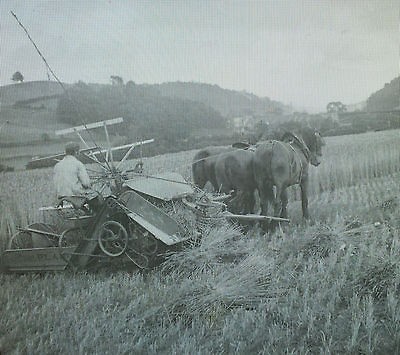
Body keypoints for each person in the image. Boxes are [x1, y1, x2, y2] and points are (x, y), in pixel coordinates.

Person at [53, 142, 100, 212]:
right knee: (98, 198)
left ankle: (87, 214)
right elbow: (86, 183)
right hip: (75, 195)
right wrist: (90, 185)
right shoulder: (78, 164)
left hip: (61, 195)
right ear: (76, 152)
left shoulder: (57, 165)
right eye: (78, 151)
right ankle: (95, 218)